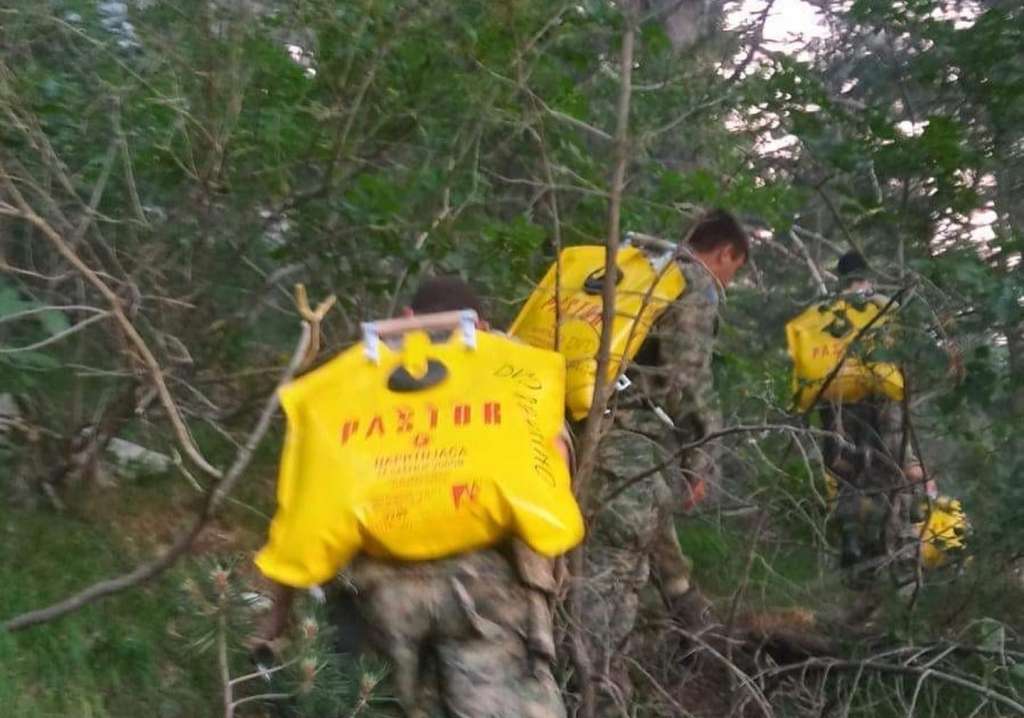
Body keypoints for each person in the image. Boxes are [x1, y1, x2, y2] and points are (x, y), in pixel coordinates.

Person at [255, 277, 571, 718]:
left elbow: (302, 512)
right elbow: (552, 490)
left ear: (404, 321)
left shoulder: (348, 385)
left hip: (376, 594)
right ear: (479, 326)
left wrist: (275, 624)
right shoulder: (510, 376)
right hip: (485, 591)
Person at [579, 209, 750, 710]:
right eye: (733, 271)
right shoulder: (691, 281)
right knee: (609, 578)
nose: (727, 281)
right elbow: (686, 380)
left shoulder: (631, 271)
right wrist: (703, 457)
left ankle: (657, 665)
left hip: (571, 431)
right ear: (725, 254)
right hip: (628, 447)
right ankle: (596, 695)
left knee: (630, 561)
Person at [816, 252, 925, 588]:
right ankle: (900, 565)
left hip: (837, 405)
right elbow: (901, 369)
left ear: (840, 277)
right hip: (881, 404)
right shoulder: (883, 307)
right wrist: (908, 461)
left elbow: (815, 370)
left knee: (850, 477)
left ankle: (853, 552)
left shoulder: (824, 312)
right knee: (894, 479)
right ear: (868, 276)